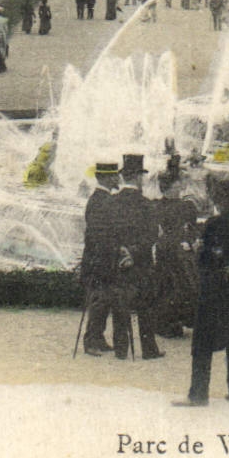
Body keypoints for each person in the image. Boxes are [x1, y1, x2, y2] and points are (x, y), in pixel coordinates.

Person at [176, 180, 229, 406]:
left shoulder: (211, 226)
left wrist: (196, 251)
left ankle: (198, 394)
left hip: (213, 294)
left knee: (203, 346)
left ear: (216, 201)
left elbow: (203, 261)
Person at [109, 154, 164, 361]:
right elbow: (151, 236)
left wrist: (122, 251)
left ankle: (121, 349)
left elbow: (107, 234)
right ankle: (149, 349)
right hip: (141, 263)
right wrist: (134, 252)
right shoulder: (147, 205)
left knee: (120, 305)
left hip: (118, 261)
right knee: (146, 306)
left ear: (123, 177)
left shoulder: (112, 203)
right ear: (139, 177)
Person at [151, 155, 201, 339]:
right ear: (172, 186)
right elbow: (191, 229)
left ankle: (170, 321)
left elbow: (191, 229)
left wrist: (189, 240)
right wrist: (188, 241)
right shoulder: (184, 206)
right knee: (181, 285)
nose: (181, 186)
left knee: (170, 286)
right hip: (176, 250)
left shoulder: (158, 206)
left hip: (169, 249)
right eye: (178, 184)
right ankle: (172, 321)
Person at [80, 162, 121, 355]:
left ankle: (98, 337)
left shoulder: (99, 199)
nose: (118, 179)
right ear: (106, 178)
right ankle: (91, 341)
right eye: (114, 176)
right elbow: (97, 236)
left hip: (100, 257)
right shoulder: (101, 200)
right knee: (99, 300)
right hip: (100, 259)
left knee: (104, 299)